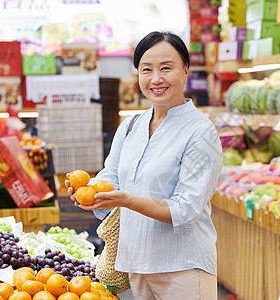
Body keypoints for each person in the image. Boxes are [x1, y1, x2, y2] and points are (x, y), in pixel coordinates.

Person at [65, 31, 223, 299]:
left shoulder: (200, 132)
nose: (156, 79)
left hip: (183, 267)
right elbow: (111, 177)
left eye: (166, 68)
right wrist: (92, 192)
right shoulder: (130, 126)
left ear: (186, 70)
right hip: (135, 265)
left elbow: (185, 209)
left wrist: (126, 200)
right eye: (146, 69)